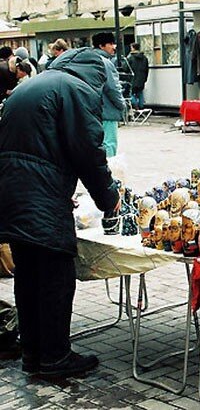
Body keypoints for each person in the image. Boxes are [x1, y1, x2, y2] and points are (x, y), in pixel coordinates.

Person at [0, 47, 121, 378]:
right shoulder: (77, 90)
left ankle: (33, 355)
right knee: (56, 277)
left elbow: (41, 145)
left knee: (28, 277)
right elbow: (88, 153)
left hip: (12, 192)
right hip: (39, 195)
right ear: (96, 75)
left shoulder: (34, 84)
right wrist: (109, 199)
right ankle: (55, 358)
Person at [92, 32, 124, 157]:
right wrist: (121, 105)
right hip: (107, 110)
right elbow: (113, 88)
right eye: (110, 44)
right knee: (109, 144)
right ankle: (108, 172)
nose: (114, 47)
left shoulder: (88, 60)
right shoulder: (105, 63)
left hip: (92, 111)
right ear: (101, 46)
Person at [127, 42, 150, 111]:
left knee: (130, 94)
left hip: (133, 79)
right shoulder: (144, 58)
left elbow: (126, 67)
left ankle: (135, 105)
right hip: (142, 79)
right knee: (140, 93)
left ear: (133, 48)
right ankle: (141, 107)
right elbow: (147, 69)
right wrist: (145, 78)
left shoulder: (130, 57)